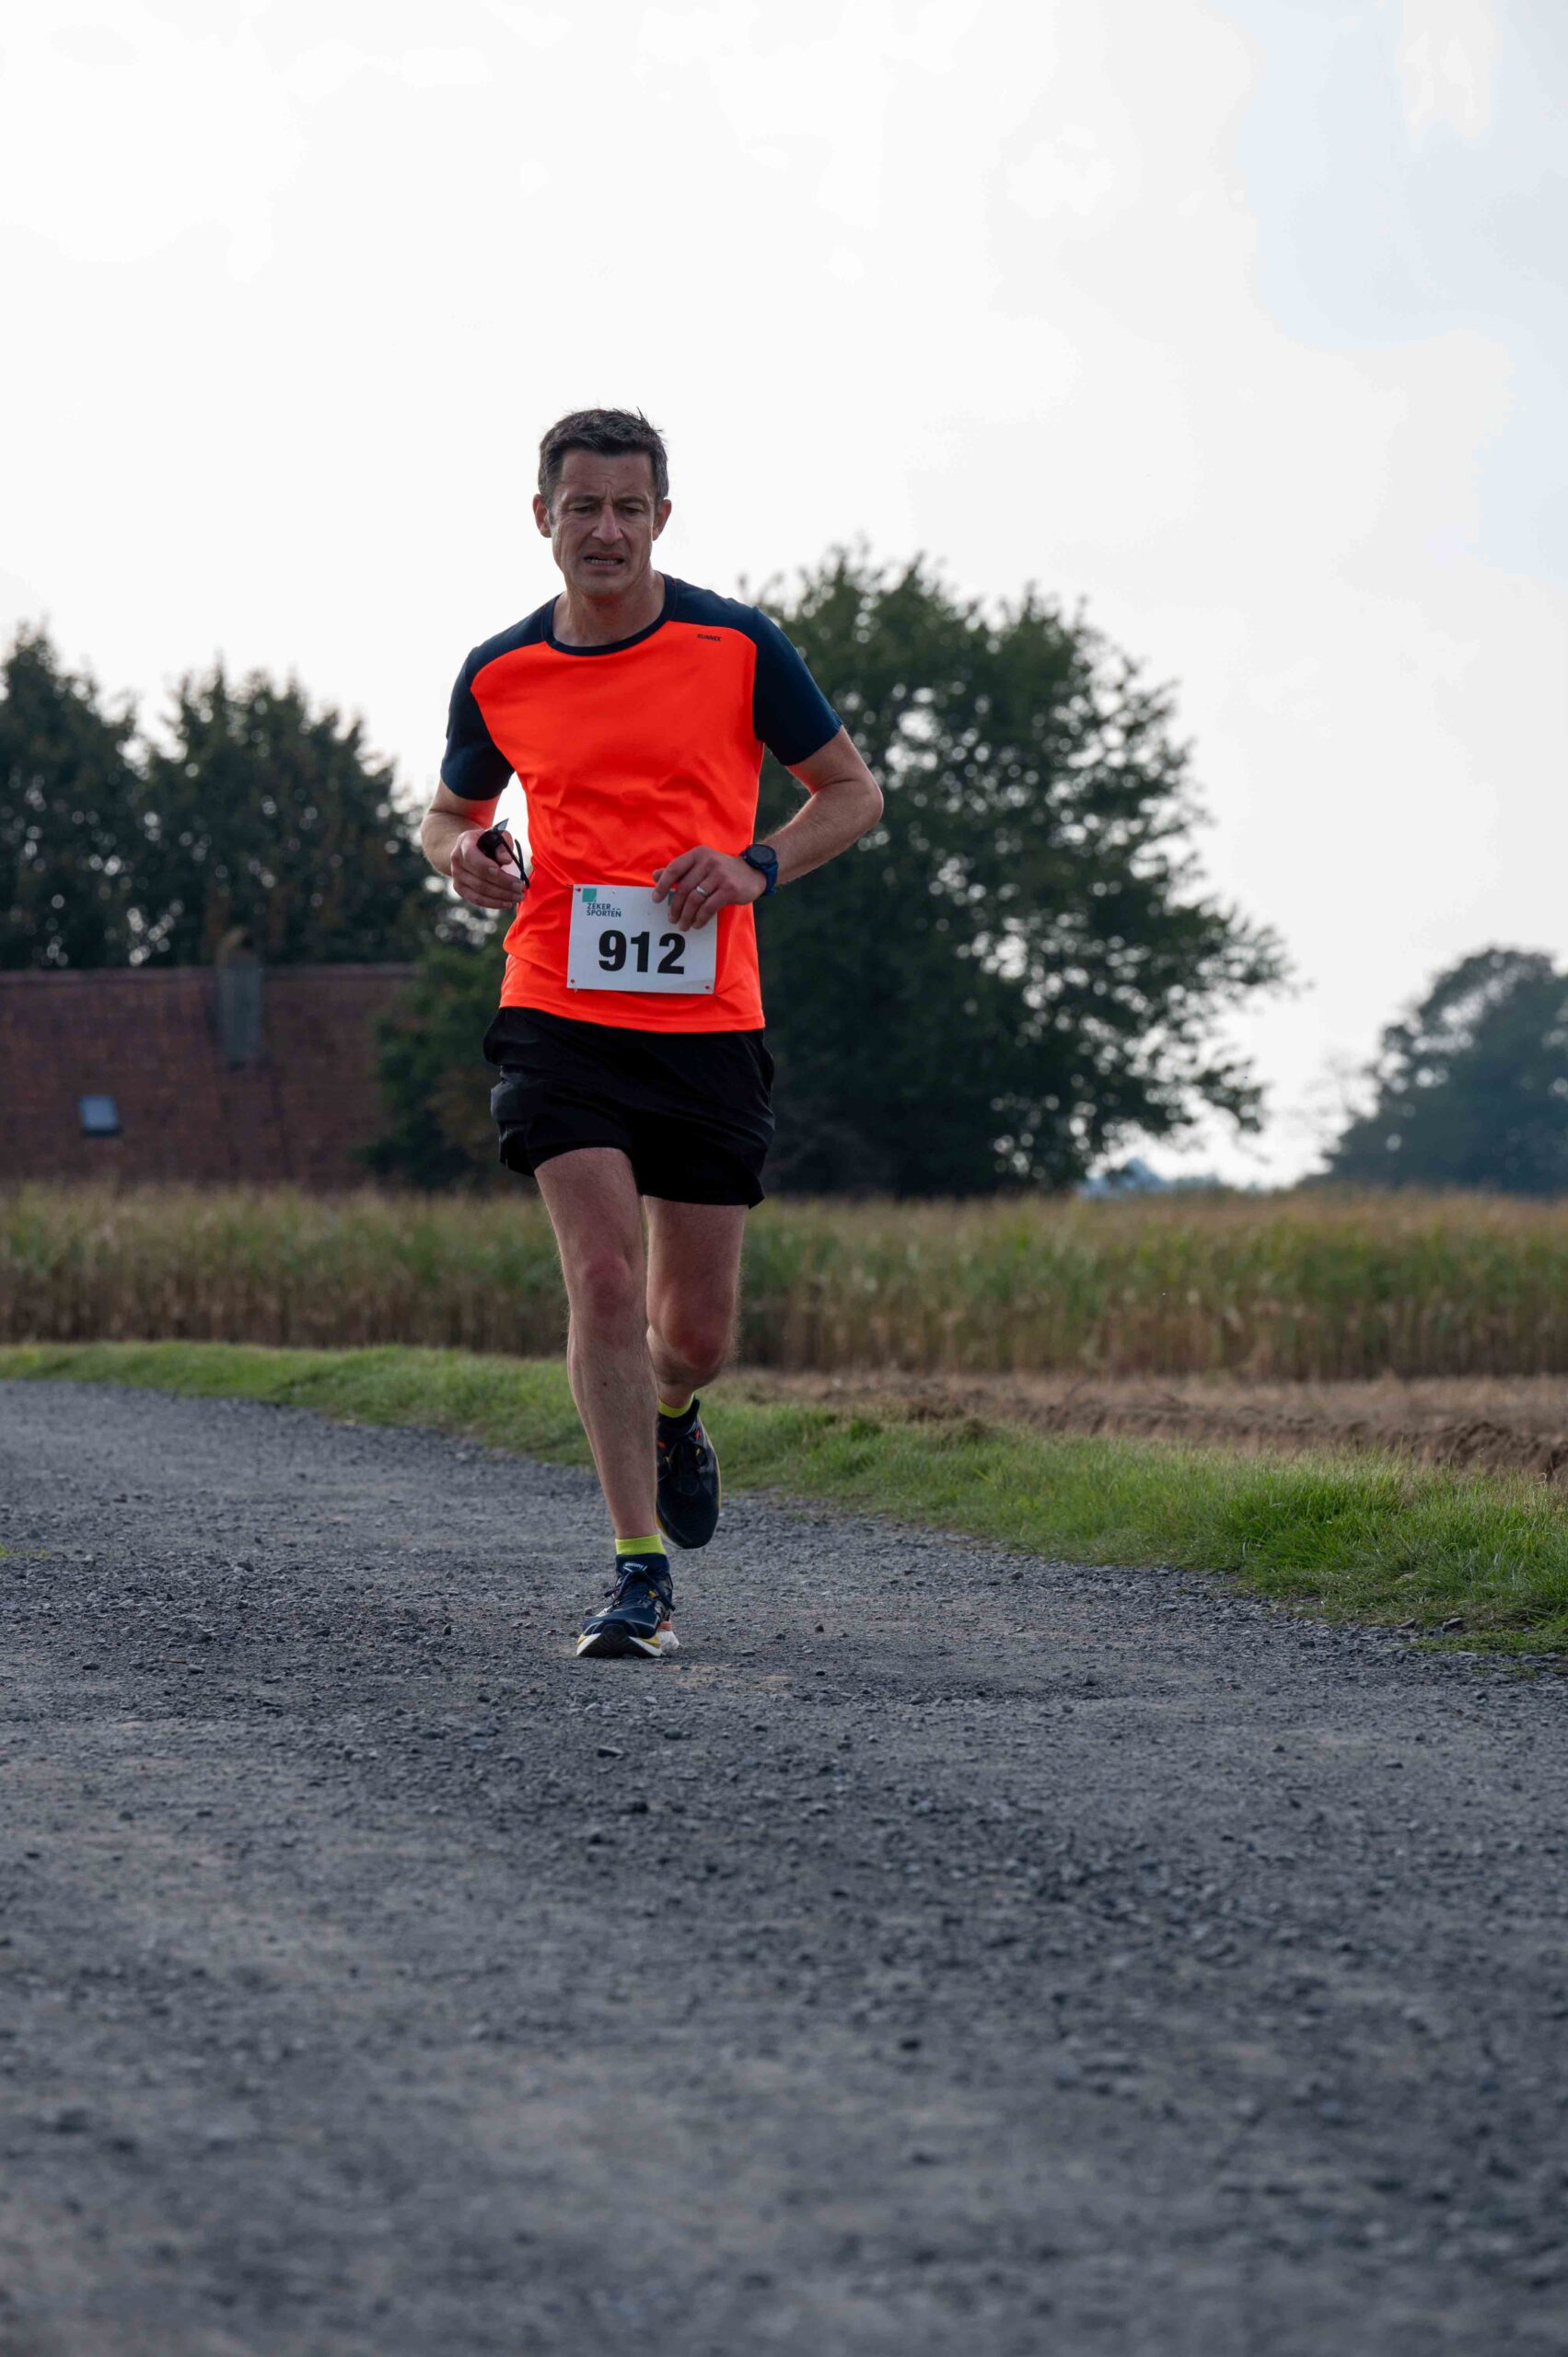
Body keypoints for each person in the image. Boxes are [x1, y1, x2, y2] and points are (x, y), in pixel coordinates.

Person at [421, 408, 882, 1660]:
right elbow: (449, 812)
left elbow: (853, 793)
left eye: (629, 508)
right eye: (583, 507)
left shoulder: (738, 646)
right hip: (555, 1008)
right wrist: (463, 854)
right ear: (543, 518)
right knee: (605, 1279)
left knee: (695, 1333)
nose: (607, 530)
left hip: (706, 1022)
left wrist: (754, 867)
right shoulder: (501, 669)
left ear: (662, 519)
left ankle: (676, 1409)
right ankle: (638, 1572)